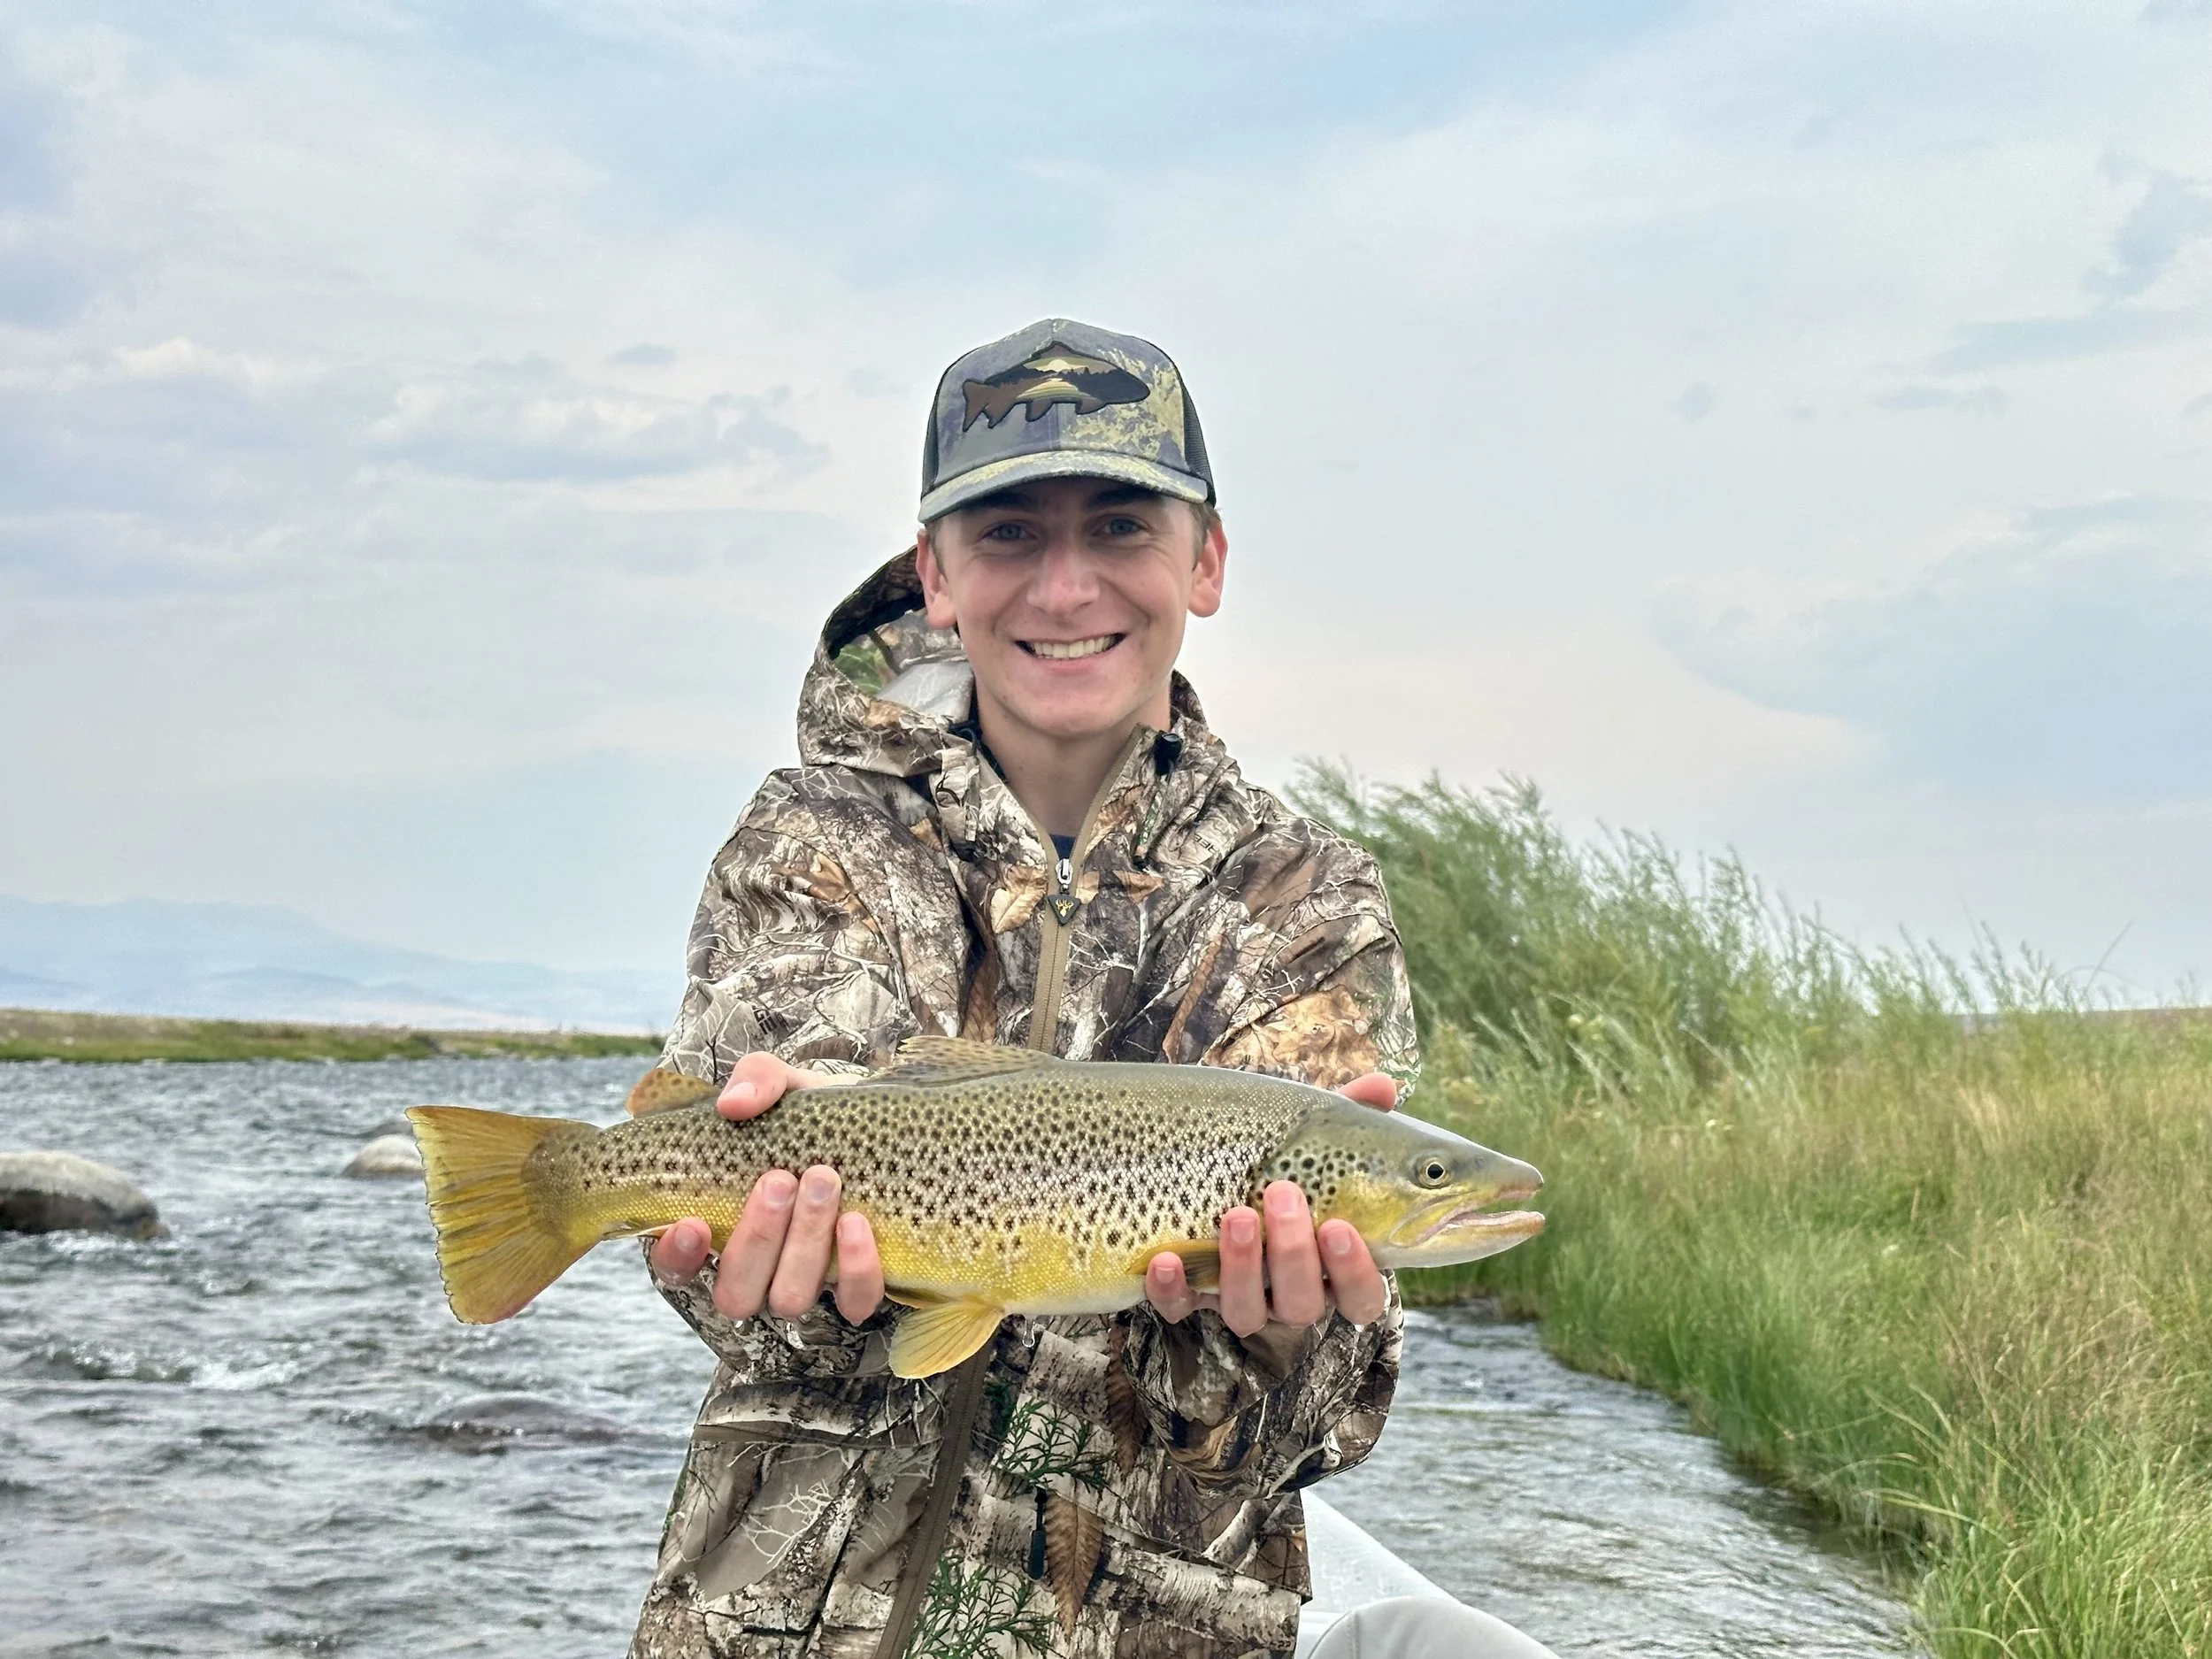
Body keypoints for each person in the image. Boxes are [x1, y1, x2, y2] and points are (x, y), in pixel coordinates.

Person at [629, 319, 1421, 1659]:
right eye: (1008, 535)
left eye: (1119, 527)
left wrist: (1292, 1338)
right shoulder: (809, 835)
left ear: (1205, 562)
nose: (1066, 589)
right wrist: (756, 1246)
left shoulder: (1309, 903)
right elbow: (746, 1292)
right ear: (933, 575)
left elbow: (1317, 1423)